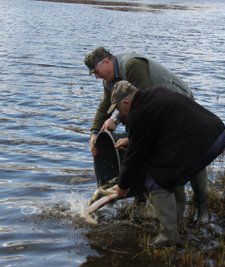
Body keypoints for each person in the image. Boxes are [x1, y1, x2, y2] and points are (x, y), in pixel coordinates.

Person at [84, 46, 210, 223]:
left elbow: (144, 101)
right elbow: (105, 105)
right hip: (156, 113)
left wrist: (119, 121)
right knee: (151, 152)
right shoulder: (109, 80)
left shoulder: (133, 65)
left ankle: (202, 206)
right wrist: (94, 134)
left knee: (189, 155)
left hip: (179, 106)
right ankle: (146, 199)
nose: (96, 76)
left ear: (106, 62)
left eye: (96, 71)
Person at [109, 81, 225, 246]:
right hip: (217, 133)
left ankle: (169, 235)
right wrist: (132, 140)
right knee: (170, 173)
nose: (120, 113)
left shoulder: (139, 113)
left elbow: (135, 157)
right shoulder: (155, 92)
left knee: (155, 178)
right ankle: (178, 224)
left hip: (203, 144)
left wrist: (122, 185)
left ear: (126, 102)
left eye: (119, 109)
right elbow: (159, 129)